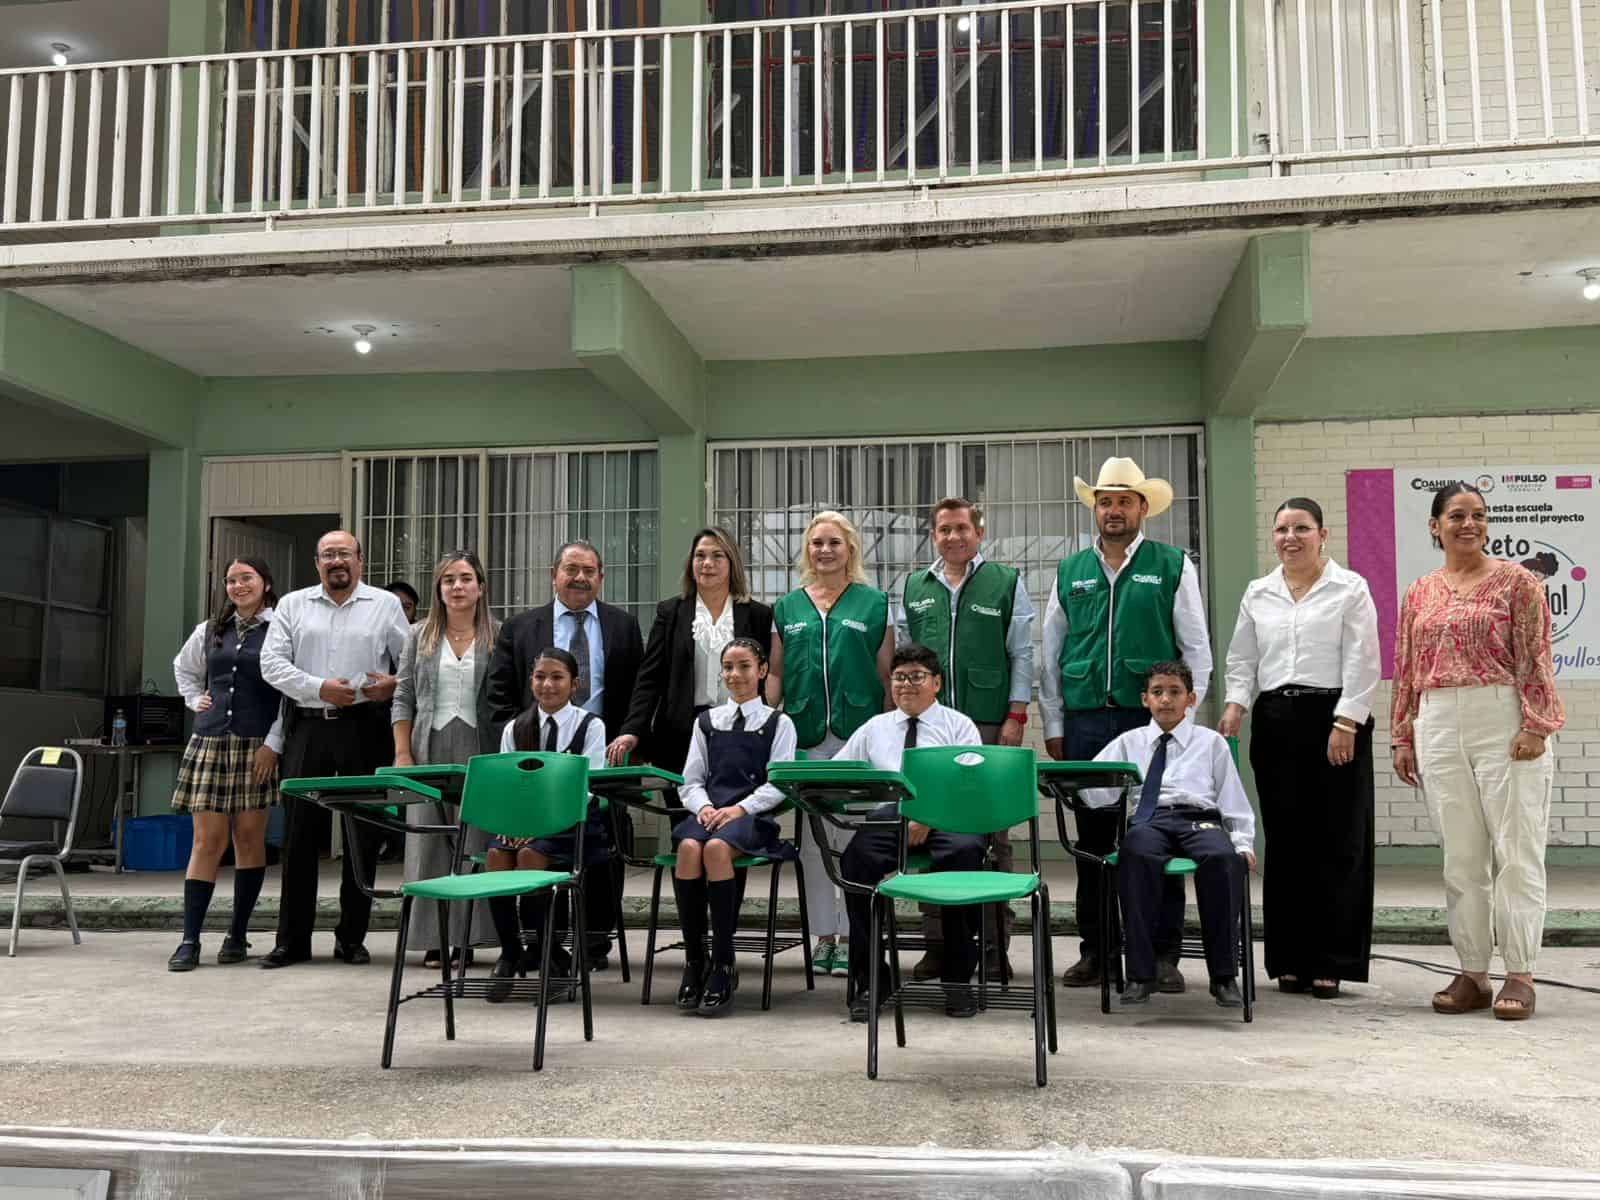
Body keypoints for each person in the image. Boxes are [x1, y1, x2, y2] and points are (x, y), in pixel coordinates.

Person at [1391, 482, 1563, 1022]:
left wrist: (1536, 723)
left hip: (1504, 714)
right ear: (1434, 525)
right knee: (1461, 855)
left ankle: (1520, 971)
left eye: (1479, 515)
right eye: (1458, 515)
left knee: (1516, 848)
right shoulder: (1419, 591)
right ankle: (1472, 972)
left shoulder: (1518, 583)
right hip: (1437, 719)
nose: (1470, 524)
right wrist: (1402, 733)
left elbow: (1536, 656)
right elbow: (1406, 665)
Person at [1041, 456, 1212, 992]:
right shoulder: (1070, 570)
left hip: (1150, 721)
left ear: (1143, 508)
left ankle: (1162, 955)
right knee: (1094, 840)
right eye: (1105, 501)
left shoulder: (1172, 564)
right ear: (1096, 509)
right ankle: (1097, 950)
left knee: (1157, 835)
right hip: (1088, 720)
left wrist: (1182, 719)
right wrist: (1053, 719)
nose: (1114, 510)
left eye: (1124, 501)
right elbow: (1050, 650)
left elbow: (1196, 646)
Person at [1220, 498, 1381, 999]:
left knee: (1337, 842)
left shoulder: (1349, 588)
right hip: (1275, 721)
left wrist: (1347, 721)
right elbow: (1243, 658)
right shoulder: (1258, 592)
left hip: (1334, 719)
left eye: (1302, 528)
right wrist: (1235, 705)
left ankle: (1332, 960)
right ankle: (1289, 959)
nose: (1291, 537)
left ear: (1322, 535)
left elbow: (1363, 659)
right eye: (1282, 529)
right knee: (1286, 843)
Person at [484, 539, 644, 970]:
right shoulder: (520, 628)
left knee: (601, 861)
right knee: (500, 855)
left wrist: (627, 736)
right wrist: (522, 744)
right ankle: (520, 950)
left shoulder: (623, 626)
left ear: (601, 577)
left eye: (589, 570)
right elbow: (497, 695)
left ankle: (589, 945)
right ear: (554, 574)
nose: (579, 577)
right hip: (529, 764)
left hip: (595, 769)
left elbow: (638, 693)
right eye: (570, 569)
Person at [895, 496, 1035, 980]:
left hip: (990, 721)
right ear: (933, 535)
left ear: (978, 533)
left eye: (961, 528)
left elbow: (1022, 652)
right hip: (931, 729)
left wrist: (1017, 714)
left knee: (993, 835)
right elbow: (903, 655)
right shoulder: (915, 586)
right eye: (943, 530)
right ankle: (939, 944)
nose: (953, 537)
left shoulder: (1006, 582)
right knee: (931, 830)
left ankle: (996, 945)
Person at [258, 530, 411, 969]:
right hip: (308, 728)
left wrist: (391, 686)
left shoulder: (384, 605)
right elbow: (272, 665)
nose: (336, 561)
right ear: (317, 563)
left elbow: (409, 664)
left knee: (362, 836)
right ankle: (291, 941)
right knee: (299, 837)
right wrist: (319, 688)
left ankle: (351, 937)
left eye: (344, 553)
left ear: (360, 561)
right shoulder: (292, 605)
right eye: (328, 554)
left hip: (366, 727)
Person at [767, 510, 895, 979]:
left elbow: (887, 676)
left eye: (834, 543)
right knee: (816, 843)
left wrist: (886, 732)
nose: (824, 550)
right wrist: (767, 723)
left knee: (857, 840)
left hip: (858, 735)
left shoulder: (874, 604)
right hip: (806, 738)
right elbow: (777, 673)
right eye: (816, 542)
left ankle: (855, 935)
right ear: (807, 550)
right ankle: (824, 937)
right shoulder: (787, 608)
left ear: (850, 550)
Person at [1088, 661, 1256, 1008]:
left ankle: (1224, 977)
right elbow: (1095, 789)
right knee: (1136, 854)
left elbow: (1232, 797)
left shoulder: (1210, 742)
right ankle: (1140, 975)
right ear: (1145, 699)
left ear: (1191, 698)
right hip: (1150, 819)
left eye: (1175, 692)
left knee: (1224, 860)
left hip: (1201, 819)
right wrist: (1074, 786)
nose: (1166, 700)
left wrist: (1242, 842)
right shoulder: (1128, 742)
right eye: (1158, 692)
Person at [835, 643, 987, 1021]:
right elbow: (841, 771)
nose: (906, 685)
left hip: (948, 817)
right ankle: (872, 978)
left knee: (963, 858)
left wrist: (927, 814)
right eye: (899, 678)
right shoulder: (876, 727)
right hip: (891, 816)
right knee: (855, 864)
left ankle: (957, 981)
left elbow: (970, 782)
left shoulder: (958, 724)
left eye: (916, 677)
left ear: (936, 682)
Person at [166, 557, 287, 972]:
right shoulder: (209, 630)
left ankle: (237, 933)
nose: (238, 586)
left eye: (246, 578)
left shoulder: (281, 629)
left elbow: (288, 693)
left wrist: (274, 742)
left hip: (257, 743)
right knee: (207, 842)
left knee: (249, 840)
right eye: (231, 580)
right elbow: (184, 668)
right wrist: (192, 699)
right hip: (210, 739)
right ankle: (189, 939)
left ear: (265, 583)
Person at [670, 637, 798, 1017]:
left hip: (751, 818)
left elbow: (779, 783)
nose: (735, 674)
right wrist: (705, 807)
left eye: (744, 666)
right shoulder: (707, 722)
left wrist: (740, 808)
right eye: (728, 667)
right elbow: (689, 781)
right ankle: (696, 959)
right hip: (711, 813)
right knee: (689, 848)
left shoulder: (778, 722)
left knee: (714, 850)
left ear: (761, 672)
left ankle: (724, 962)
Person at [391, 550, 498, 967]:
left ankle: (470, 937)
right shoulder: (419, 635)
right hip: (428, 747)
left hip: (480, 748)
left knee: (475, 840)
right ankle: (433, 936)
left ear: (480, 588)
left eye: (466, 578)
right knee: (428, 844)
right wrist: (403, 753)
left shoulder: (498, 634)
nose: (458, 586)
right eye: (449, 579)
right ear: (438, 588)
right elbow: (402, 697)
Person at [485, 647, 608, 1002]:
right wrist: (513, 821)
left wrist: (540, 824)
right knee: (497, 855)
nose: (548, 684)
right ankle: (510, 952)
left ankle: (548, 956)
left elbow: (587, 786)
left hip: (573, 824)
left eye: (557, 677)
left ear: (575, 684)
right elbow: (509, 784)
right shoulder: (516, 727)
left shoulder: (590, 726)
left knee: (530, 857)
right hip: (524, 823)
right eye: (540, 677)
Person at [608, 527, 774, 773]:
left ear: (732, 563)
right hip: (678, 737)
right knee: (682, 809)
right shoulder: (670, 612)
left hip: (741, 731)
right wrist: (632, 730)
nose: (707, 563)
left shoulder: (758, 615)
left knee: (735, 807)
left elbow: (766, 675)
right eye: (700, 556)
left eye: (717, 556)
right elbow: (650, 678)